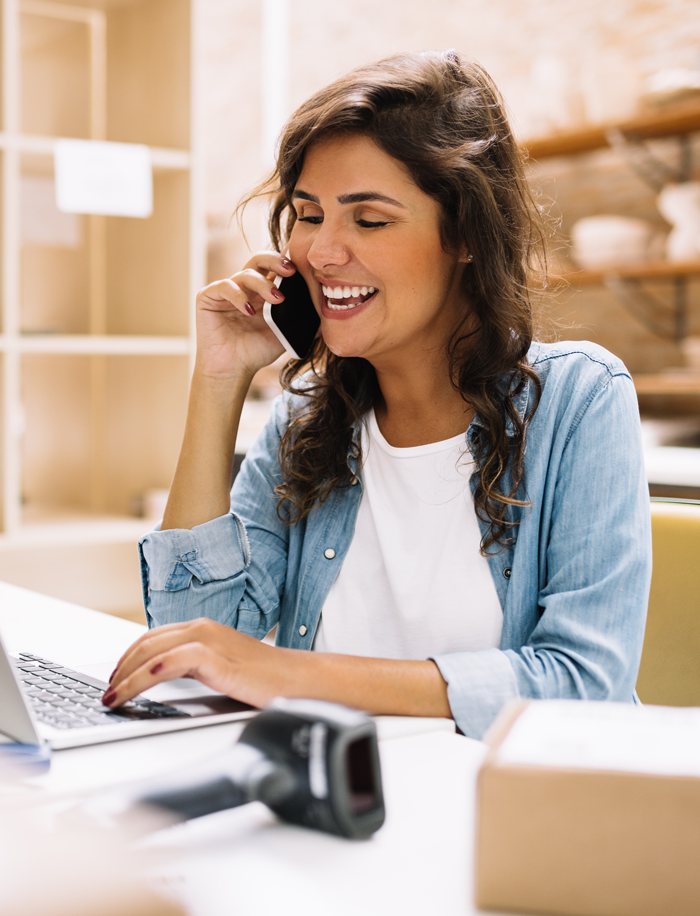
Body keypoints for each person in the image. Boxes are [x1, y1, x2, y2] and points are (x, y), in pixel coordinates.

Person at [103, 50, 652, 739]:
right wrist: (218, 378)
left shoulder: (580, 399)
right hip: (337, 810)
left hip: (511, 822)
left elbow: (582, 682)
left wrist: (285, 673)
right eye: (308, 214)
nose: (323, 252)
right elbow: (198, 639)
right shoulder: (306, 421)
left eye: (369, 221)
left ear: (464, 236)